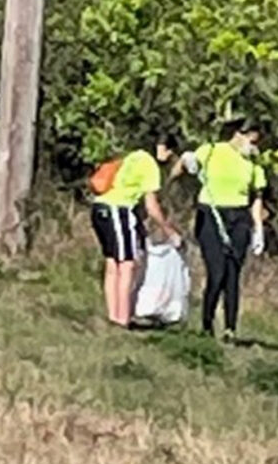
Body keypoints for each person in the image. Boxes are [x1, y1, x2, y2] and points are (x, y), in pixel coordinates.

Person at [172, 117, 267, 341]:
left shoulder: (253, 164)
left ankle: (230, 329)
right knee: (217, 272)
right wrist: (187, 161)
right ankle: (207, 323)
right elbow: (179, 170)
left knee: (233, 274)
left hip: (239, 217)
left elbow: (257, 198)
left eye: (257, 143)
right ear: (239, 135)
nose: (254, 147)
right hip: (212, 214)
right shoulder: (212, 151)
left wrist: (258, 228)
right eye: (251, 141)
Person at [91, 132, 182, 328]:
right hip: (119, 209)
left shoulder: (134, 156)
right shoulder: (150, 166)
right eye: (169, 152)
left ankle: (113, 315)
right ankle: (122, 318)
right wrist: (168, 230)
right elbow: (152, 206)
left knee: (112, 263)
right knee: (127, 265)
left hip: (100, 208)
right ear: (163, 149)